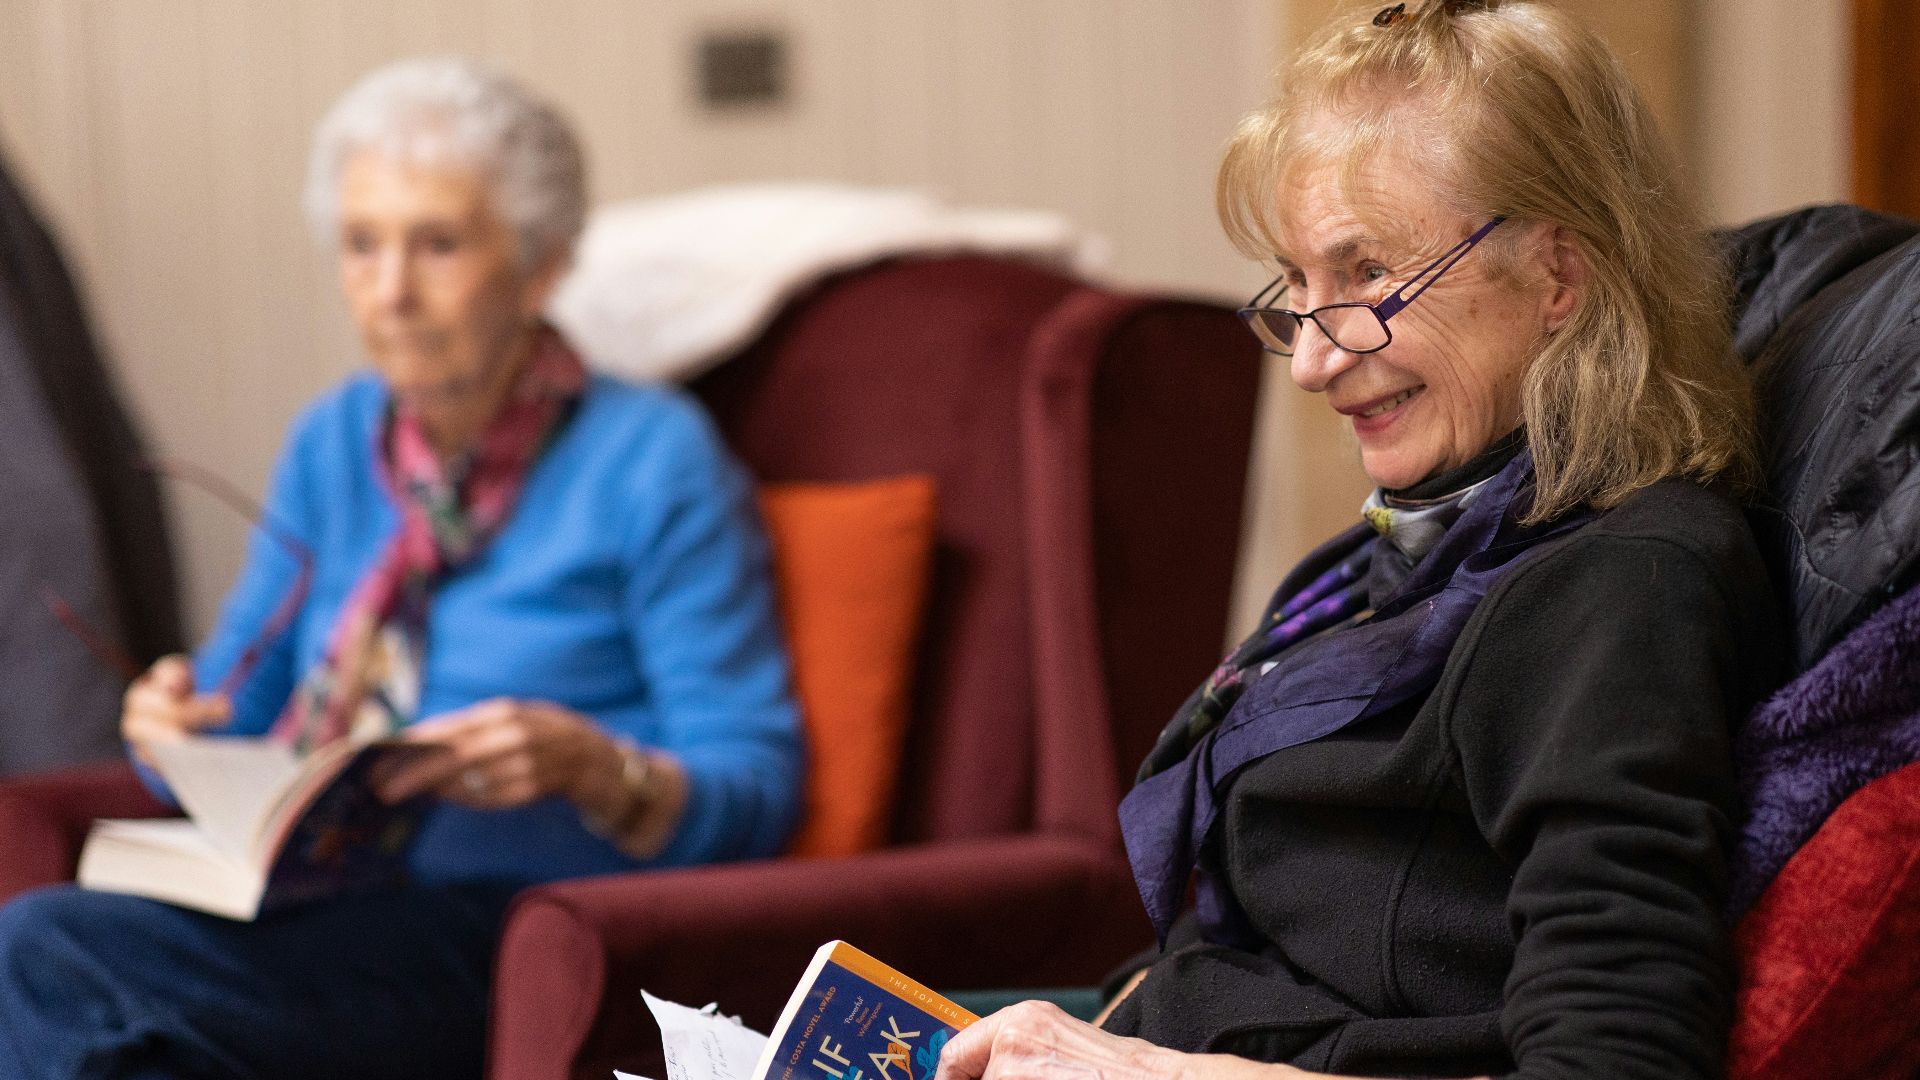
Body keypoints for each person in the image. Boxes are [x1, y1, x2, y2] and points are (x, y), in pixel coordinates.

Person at [936, 3, 1782, 1079]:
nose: (1310, 363)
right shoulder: (1441, 535)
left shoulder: (1622, 585)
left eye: (1370, 275)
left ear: (1558, 280)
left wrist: (1155, 1073)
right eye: (1298, 285)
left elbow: (1615, 1061)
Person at [0, 58, 802, 1078]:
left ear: (542, 264)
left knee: (48, 956)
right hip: (325, 909)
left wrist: (596, 769)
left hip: (524, 932)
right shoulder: (335, 441)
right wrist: (168, 725)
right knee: (98, 1004)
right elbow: (237, 709)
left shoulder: (653, 459)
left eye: (439, 245)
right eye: (361, 244)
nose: (392, 292)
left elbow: (760, 787)